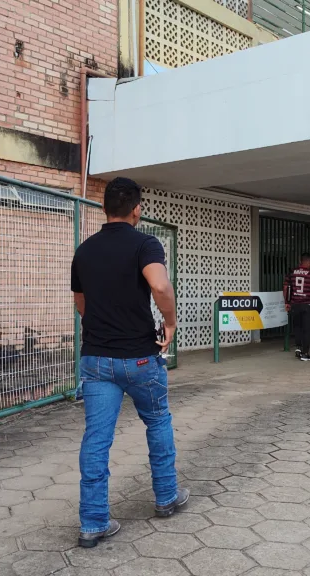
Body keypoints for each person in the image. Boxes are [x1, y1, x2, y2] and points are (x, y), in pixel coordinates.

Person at [70, 177, 188, 548]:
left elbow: (81, 303)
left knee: (97, 438)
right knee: (157, 421)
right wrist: (169, 322)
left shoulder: (84, 251)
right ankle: (166, 498)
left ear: (105, 208)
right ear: (137, 208)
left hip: (96, 360)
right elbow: (160, 286)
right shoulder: (145, 243)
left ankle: (93, 523)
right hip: (139, 358)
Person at [284, 252, 310, 361]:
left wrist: (287, 302)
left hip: (295, 304)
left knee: (297, 327)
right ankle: (305, 353)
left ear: (300, 261)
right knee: (307, 329)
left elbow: (286, 288)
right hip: (307, 305)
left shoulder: (291, 273)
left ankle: (298, 348)